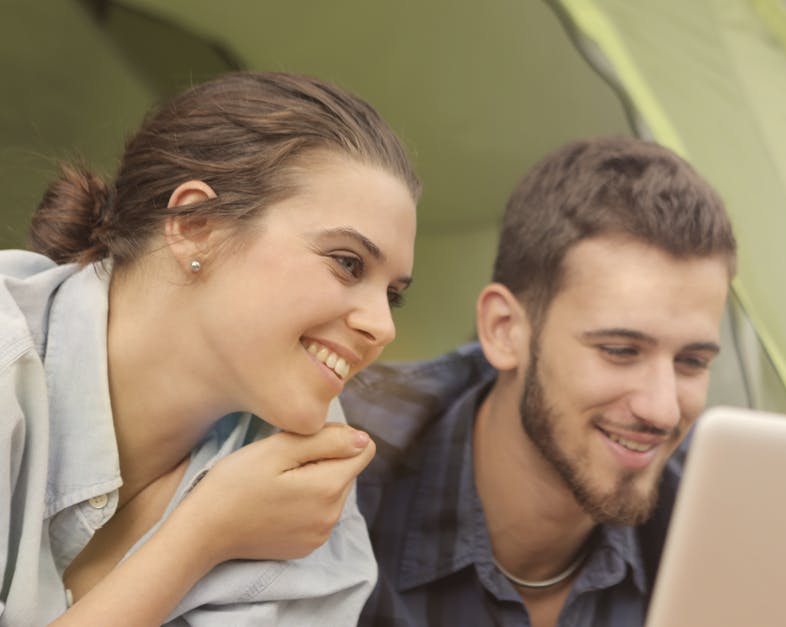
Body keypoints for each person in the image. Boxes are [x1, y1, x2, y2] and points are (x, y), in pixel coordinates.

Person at [0, 71, 420, 625]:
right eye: (348, 263)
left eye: (392, 295)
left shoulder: (308, 498)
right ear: (196, 225)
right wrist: (201, 535)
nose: (383, 327)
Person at [346, 136, 736, 626]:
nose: (662, 410)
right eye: (620, 351)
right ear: (504, 330)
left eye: (692, 362)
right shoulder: (343, 473)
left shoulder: (719, 529)